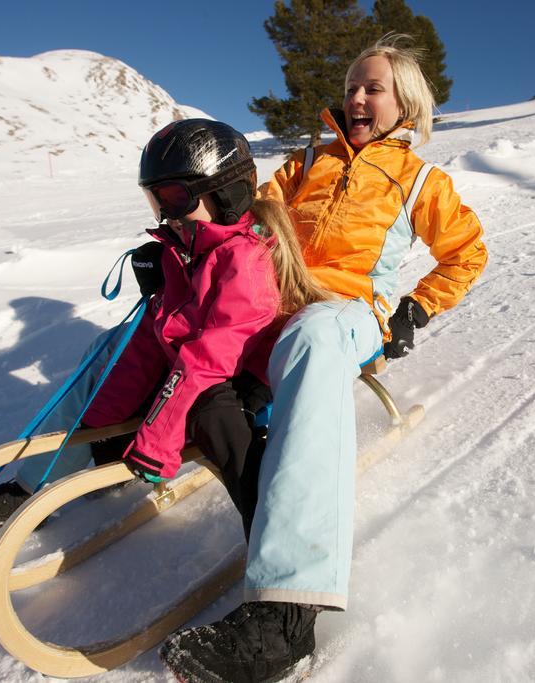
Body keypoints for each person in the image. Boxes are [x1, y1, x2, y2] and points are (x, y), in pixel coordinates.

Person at [159, 35, 488, 683]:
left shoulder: (420, 179)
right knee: (183, 333)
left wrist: (413, 310)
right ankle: (95, 457)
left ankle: (287, 618)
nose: (357, 97)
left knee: (311, 332)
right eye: (351, 87)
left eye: (373, 88)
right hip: (275, 306)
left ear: (406, 102)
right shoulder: (307, 161)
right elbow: (246, 217)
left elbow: (467, 253)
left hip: (343, 316)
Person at [0, 119, 327, 539]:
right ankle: (38, 482)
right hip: (197, 369)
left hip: (242, 377)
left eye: (175, 198)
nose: (166, 215)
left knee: (215, 412)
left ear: (226, 194)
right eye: (156, 201)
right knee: (108, 354)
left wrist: (157, 442)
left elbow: (209, 359)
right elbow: (153, 341)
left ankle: (275, 531)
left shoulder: (243, 261)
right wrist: (101, 425)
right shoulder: (186, 250)